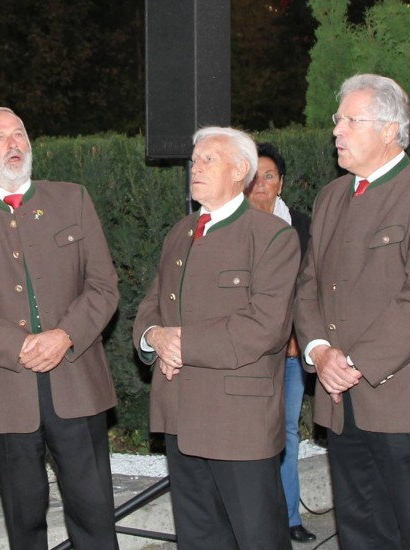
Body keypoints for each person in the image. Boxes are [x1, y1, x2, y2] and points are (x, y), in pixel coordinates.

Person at [0, 107, 121, 549]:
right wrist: (18, 346)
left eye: (19, 134)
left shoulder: (71, 199)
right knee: (24, 519)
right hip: (3, 390)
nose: (14, 144)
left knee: (95, 513)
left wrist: (65, 335)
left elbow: (103, 286)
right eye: (0, 138)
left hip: (76, 383)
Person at [294, 74, 410, 549]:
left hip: (401, 401)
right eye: (337, 120)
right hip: (341, 401)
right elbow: (309, 287)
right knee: (360, 531)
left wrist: (356, 364)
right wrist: (320, 351)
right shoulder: (330, 197)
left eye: (350, 121)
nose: (336, 131)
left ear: (389, 129)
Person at [135, 126, 299, 549]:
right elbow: (153, 304)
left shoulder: (271, 237)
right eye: (195, 160)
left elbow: (264, 325)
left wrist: (182, 343)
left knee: (257, 537)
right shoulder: (180, 232)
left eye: (209, 159)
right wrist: (153, 337)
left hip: (238, 423)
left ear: (240, 170)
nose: (196, 167)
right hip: (180, 413)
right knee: (199, 538)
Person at [246, 142, 315, 543]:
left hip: (288, 352)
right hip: (246, 355)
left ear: (281, 182)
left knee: (286, 431)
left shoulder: (303, 226)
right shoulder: (227, 226)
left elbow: (309, 287)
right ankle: (255, 518)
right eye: (254, 177)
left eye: (269, 176)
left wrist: (295, 334)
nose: (261, 185)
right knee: (250, 434)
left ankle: (289, 518)